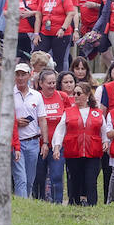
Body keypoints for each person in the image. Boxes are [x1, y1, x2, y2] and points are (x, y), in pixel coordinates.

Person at [34, 68, 70, 202]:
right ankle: (39, 203)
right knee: (39, 177)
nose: (52, 86)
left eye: (54, 83)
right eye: (49, 83)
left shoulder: (62, 96)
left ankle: (57, 203)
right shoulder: (36, 97)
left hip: (57, 146)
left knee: (56, 176)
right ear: (41, 83)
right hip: (38, 145)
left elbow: (69, 117)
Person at [12, 62, 46, 198]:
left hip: (33, 141)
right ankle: (22, 205)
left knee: (30, 179)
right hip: (16, 142)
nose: (20, 78)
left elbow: (42, 119)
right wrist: (15, 122)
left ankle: (25, 205)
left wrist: (45, 142)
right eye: (17, 75)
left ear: (29, 76)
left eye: (23, 75)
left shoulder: (37, 95)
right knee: (21, 178)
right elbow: (1, 117)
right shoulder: (9, 94)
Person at [36, 0, 76, 71]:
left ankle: (59, 81)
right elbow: (38, 15)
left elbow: (70, 13)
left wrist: (63, 28)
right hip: (45, 32)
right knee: (38, 56)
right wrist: (36, 33)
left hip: (60, 34)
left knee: (59, 60)